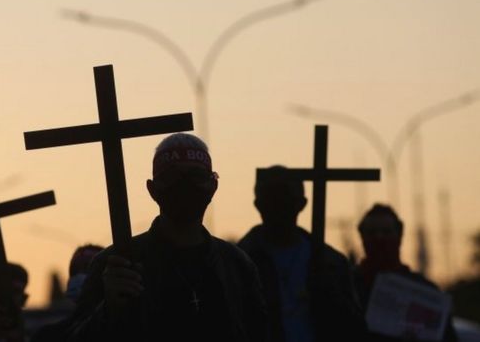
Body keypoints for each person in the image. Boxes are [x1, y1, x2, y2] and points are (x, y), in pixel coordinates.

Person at [65, 133, 267, 342]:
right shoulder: (117, 265)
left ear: (212, 186)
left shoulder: (236, 264)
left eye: (196, 176)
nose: (185, 185)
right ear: (153, 190)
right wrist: (109, 308)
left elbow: (258, 331)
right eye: (172, 176)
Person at [238, 165, 366, 342]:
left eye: (285, 198)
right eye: (271, 198)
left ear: (301, 204)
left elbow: (353, 329)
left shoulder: (332, 263)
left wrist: (330, 296)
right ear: (259, 205)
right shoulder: (238, 262)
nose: (278, 206)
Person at [353, 204, 458, 341]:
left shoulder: (426, 291)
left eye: (386, 232)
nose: (379, 238)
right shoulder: (348, 287)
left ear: (400, 236)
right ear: (362, 237)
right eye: (372, 232)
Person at [31, 244, 104, 342]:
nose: (79, 276)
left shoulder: (123, 330)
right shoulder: (49, 336)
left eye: (88, 269)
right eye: (75, 271)